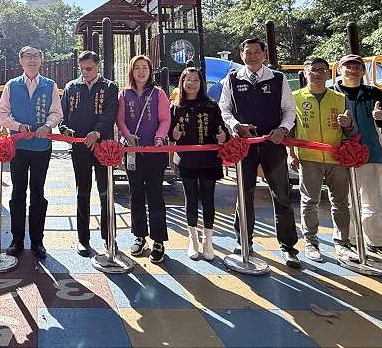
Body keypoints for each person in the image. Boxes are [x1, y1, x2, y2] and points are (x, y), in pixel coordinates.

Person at [219, 38, 301, 268]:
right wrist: (235, 126)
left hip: (273, 144)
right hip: (244, 145)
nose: (252, 56)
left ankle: (288, 246)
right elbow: (224, 108)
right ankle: (243, 240)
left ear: (264, 55)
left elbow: (289, 109)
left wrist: (283, 129)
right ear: (241, 54)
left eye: (257, 52)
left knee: (281, 194)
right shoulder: (233, 79)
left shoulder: (278, 78)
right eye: (248, 52)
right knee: (244, 195)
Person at [289, 57, 359, 263]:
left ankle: (342, 243)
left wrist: (347, 124)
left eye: (322, 70)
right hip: (309, 158)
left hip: (337, 158)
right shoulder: (295, 97)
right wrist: (291, 154)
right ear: (305, 72)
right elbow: (291, 129)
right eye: (313, 70)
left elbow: (353, 131)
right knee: (309, 201)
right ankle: (311, 242)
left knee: (340, 202)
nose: (318, 73)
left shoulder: (339, 98)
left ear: (328, 74)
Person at [0, 46, 62, 260]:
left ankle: (37, 240)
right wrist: (17, 125)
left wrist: (48, 125)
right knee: (17, 193)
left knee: (38, 192)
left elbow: (56, 112)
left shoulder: (49, 85)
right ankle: (16, 239)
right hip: (19, 148)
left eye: (36, 56)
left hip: (41, 148)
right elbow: (2, 112)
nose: (32, 60)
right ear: (21, 61)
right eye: (28, 56)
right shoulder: (11, 85)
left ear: (41, 60)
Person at [333, 54, 382, 261]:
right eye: (348, 66)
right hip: (344, 155)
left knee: (374, 201)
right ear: (339, 70)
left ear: (363, 71)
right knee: (346, 201)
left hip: (372, 153)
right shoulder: (332, 94)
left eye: (357, 67)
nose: (352, 70)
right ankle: (349, 240)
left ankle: (377, 242)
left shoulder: (373, 93)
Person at [60, 51, 118, 257]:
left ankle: (109, 237)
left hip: (103, 147)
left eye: (89, 68)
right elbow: (62, 115)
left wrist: (97, 132)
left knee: (106, 193)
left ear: (98, 66)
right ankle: (83, 239)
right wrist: (64, 129)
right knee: (82, 192)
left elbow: (110, 114)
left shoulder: (110, 87)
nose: (85, 73)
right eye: (82, 69)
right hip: (80, 147)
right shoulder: (71, 87)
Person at [116, 55, 171, 264]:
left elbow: (165, 119)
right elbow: (120, 120)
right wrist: (127, 136)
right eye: (137, 68)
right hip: (132, 152)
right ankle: (139, 236)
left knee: (156, 195)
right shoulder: (124, 94)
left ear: (150, 71)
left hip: (155, 152)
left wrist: (159, 137)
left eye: (145, 68)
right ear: (131, 70)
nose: (141, 72)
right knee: (136, 194)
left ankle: (158, 240)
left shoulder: (158, 93)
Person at [170, 66, 228, 261]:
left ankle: (208, 239)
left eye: (195, 80)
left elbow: (222, 130)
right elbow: (170, 132)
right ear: (182, 83)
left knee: (208, 199)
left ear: (201, 83)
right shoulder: (177, 106)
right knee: (190, 198)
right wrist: (174, 135)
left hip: (209, 159)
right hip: (186, 159)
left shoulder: (211, 105)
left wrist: (222, 136)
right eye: (188, 80)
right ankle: (193, 239)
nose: (192, 84)